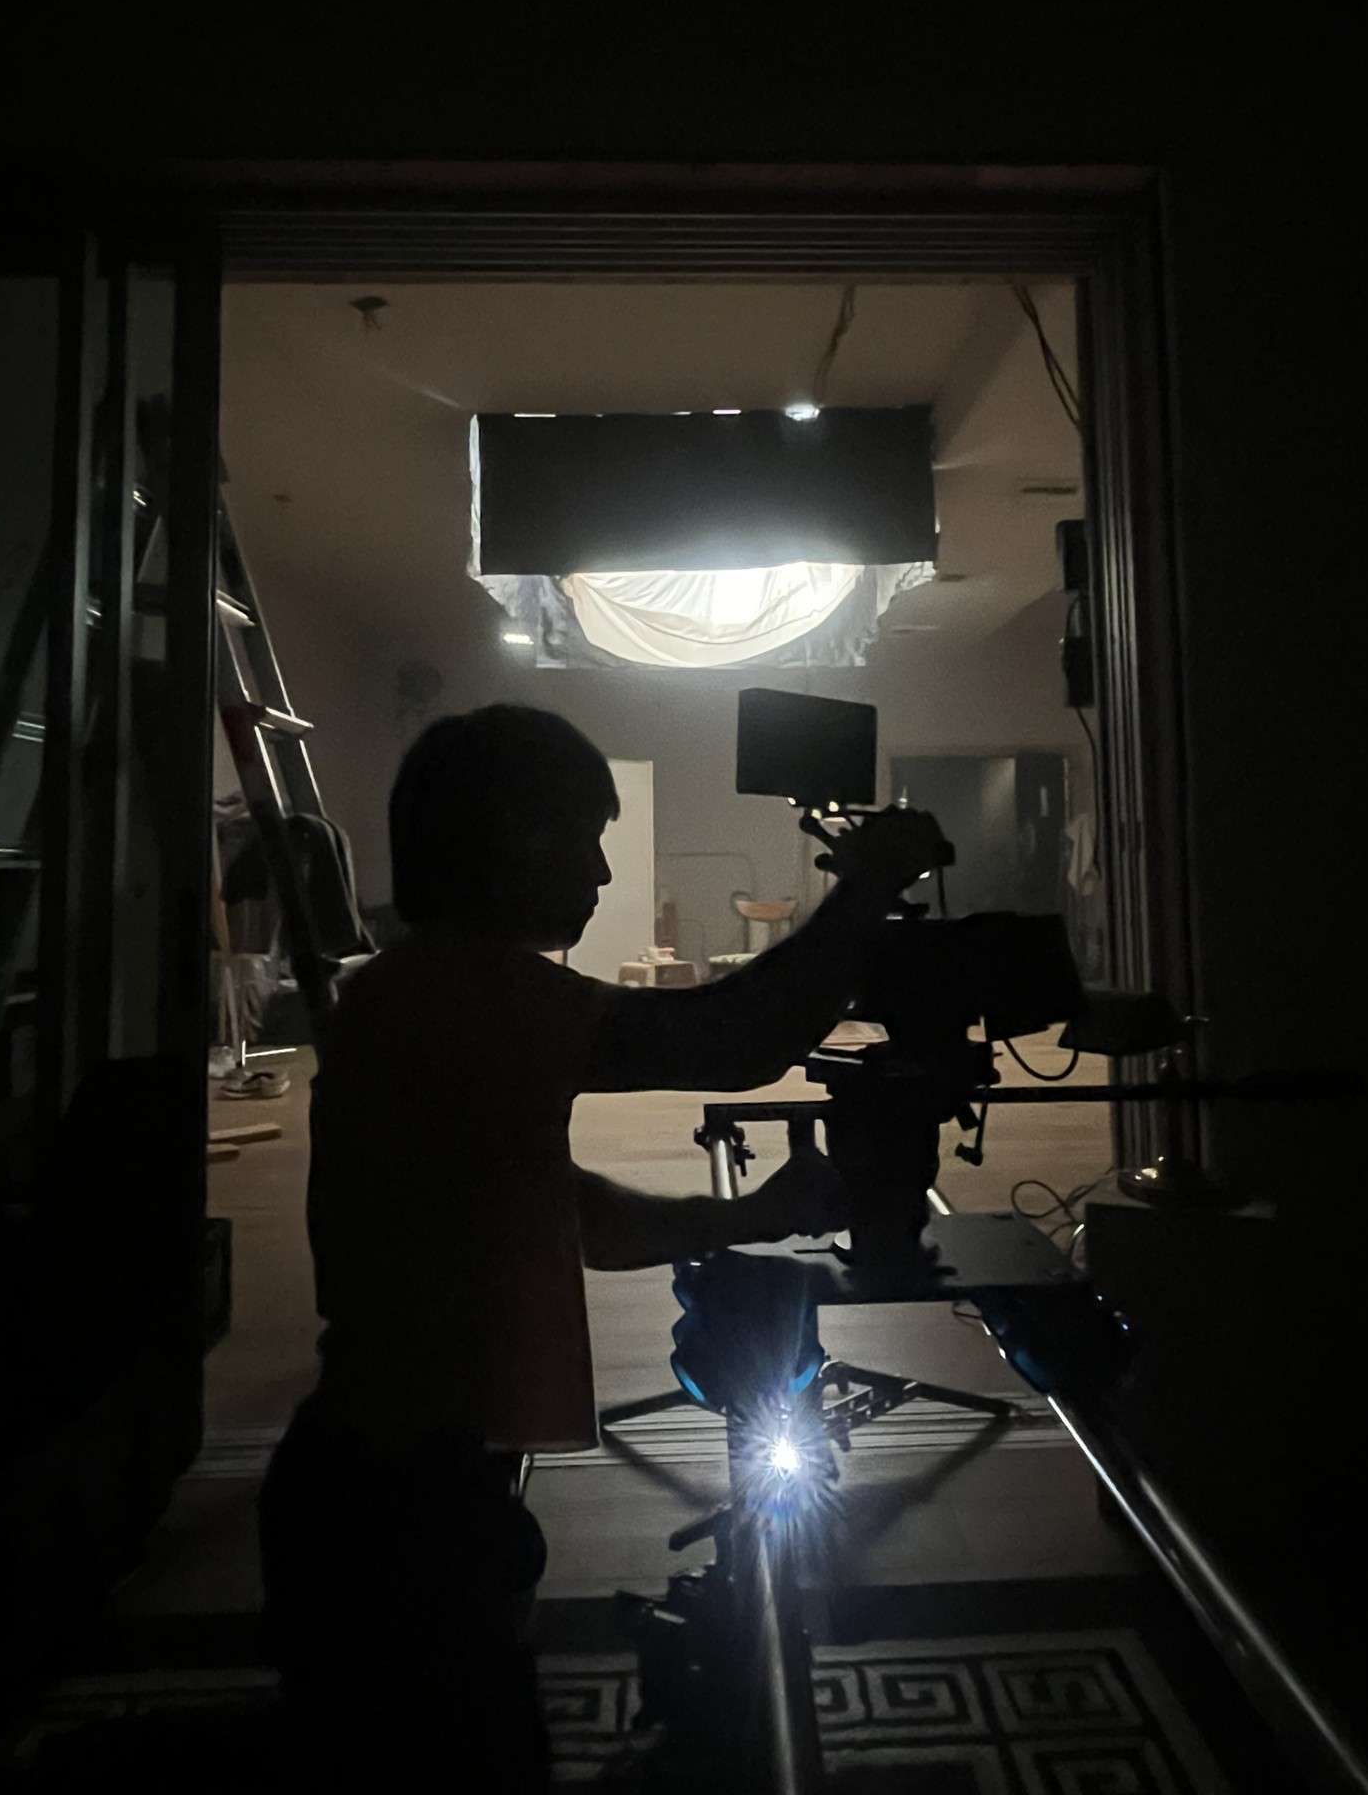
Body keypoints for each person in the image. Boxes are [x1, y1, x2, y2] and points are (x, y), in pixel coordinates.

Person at [258, 704, 947, 1789]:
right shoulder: (469, 994)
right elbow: (733, 1037)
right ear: (512, 840)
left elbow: (567, 1212)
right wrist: (866, 888)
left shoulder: (420, 992)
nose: (600, 868)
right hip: (395, 1513)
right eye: (583, 836)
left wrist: (745, 1217)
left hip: (401, 1483)